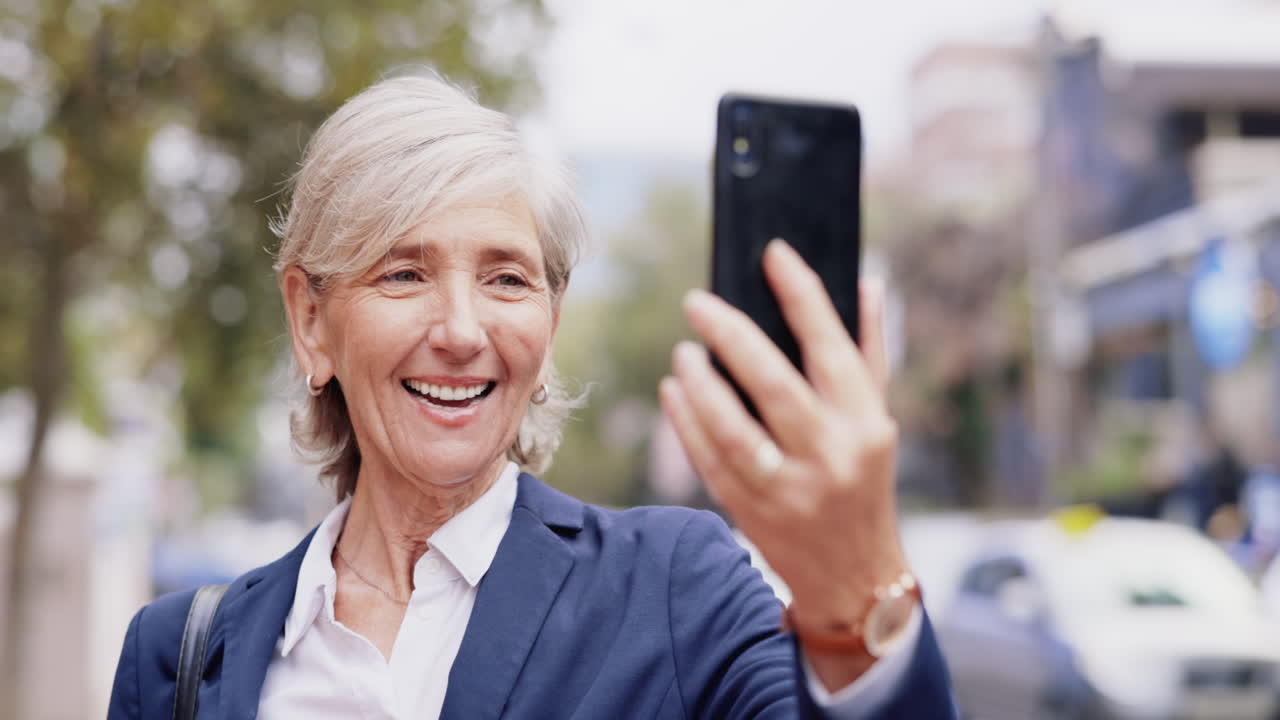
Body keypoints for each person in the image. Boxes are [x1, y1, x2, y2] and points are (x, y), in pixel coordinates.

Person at [107, 72, 954, 719]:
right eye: (404, 273)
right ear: (311, 322)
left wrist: (857, 596)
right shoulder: (182, 658)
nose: (462, 329)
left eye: (507, 279)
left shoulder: (676, 591)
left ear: (550, 325)